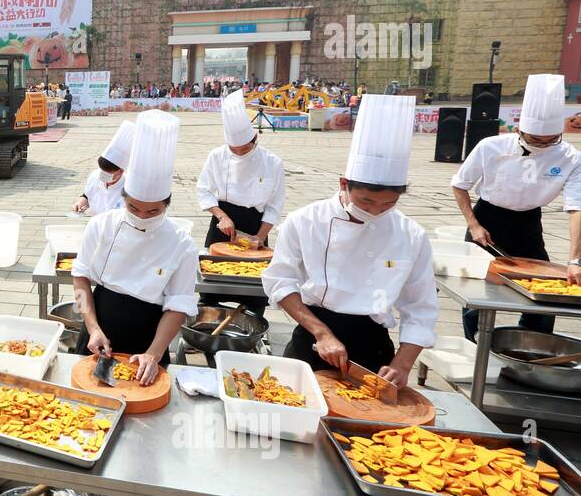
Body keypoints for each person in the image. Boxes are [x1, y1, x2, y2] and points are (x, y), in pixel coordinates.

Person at [262, 94, 438, 383]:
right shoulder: (305, 221)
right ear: (344, 183)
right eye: (366, 202)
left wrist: (403, 364)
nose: (375, 212)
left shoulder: (411, 235)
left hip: (373, 347)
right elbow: (280, 282)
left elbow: (420, 305)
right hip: (312, 338)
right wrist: (321, 332)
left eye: (388, 204)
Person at [71, 110, 198, 384]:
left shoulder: (182, 243)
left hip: (150, 334)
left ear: (167, 204)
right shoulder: (101, 225)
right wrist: (92, 327)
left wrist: (154, 353)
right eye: (133, 208)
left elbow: (178, 304)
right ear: (124, 197)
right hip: (98, 326)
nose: (141, 216)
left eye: (153, 211)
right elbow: (80, 279)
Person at [452, 73, 581, 339]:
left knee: (545, 296)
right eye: (535, 139)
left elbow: (577, 207)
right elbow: (460, 184)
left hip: (528, 223)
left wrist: (574, 260)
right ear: (520, 128)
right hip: (487, 218)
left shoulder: (571, 157)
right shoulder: (490, 146)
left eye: (550, 140)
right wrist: (473, 225)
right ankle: (473, 345)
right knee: (477, 293)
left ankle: (531, 344)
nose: (542, 146)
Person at [196, 89, 287, 315]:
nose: (238, 153)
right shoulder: (216, 156)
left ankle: (251, 321)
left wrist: (259, 236)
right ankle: (207, 318)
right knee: (213, 284)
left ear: (255, 139)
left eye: (244, 149)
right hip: (222, 223)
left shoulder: (273, 163)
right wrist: (221, 215)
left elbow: (274, 206)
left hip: (256, 225)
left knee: (254, 287)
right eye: (233, 149)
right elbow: (204, 191)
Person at [72, 121, 134, 217]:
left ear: (121, 171)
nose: (101, 176)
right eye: (101, 171)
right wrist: (81, 203)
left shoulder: (129, 188)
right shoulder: (94, 176)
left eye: (107, 174)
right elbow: (87, 195)